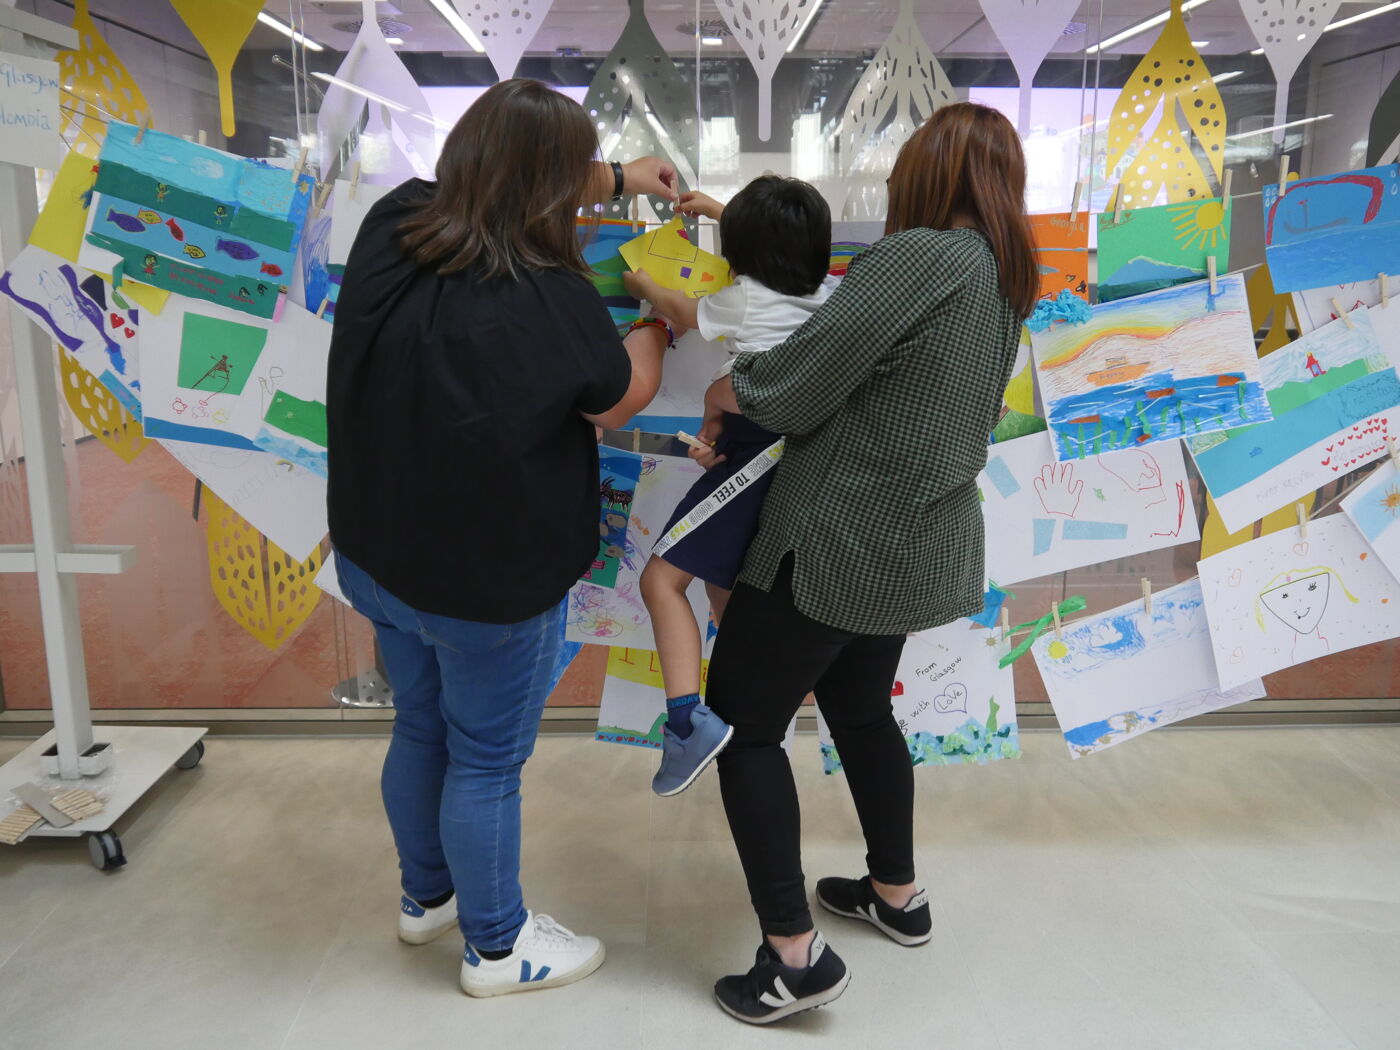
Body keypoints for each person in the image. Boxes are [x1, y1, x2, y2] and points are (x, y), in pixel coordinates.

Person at [325, 78, 679, 998]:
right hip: (489, 584)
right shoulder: (550, 295)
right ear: (552, 191)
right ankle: (496, 948)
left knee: (421, 727)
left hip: (379, 552)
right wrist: (655, 321)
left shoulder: (393, 223)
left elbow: (502, 176)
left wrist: (616, 175)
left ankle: (423, 900)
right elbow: (619, 398)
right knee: (486, 760)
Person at [698, 102, 1041, 1024]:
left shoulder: (919, 257)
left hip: (839, 540)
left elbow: (799, 386)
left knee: (743, 725)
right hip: (915, 545)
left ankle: (793, 961)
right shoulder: (1003, 275)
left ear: (923, 174)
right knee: (858, 712)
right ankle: (898, 894)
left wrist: (734, 381)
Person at [621, 176, 837, 798]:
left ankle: (688, 722)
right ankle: (747, 710)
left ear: (744, 256)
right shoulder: (830, 294)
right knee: (725, 585)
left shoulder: (743, 299)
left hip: (749, 455)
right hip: (794, 459)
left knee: (660, 579)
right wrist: (722, 214)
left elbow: (687, 313)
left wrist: (643, 286)